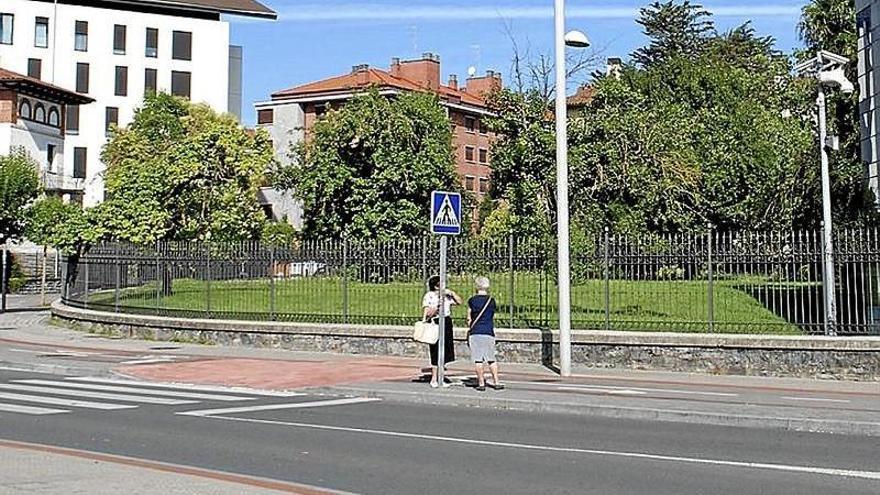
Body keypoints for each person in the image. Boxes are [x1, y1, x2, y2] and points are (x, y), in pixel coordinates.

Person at [422, 275, 462, 388]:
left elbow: (459, 302)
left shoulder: (447, 296)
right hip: (435, 322)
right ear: (436, 286)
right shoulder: (429, 296)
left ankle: (441, 376)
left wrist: (452, 293)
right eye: (441, 284)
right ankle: (434, 378)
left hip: (446, 321)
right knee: (435, 350)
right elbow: (427, 312)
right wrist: (436, 307)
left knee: (445, 349)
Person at [467, 276, 503, 391]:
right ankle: (496, 381)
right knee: (491, 359)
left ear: (476, 286)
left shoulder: (472, 300)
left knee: (478, 359)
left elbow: (469, 318)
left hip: (476, 331)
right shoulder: (491, 301)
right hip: (488, 331)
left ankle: (481, 383)